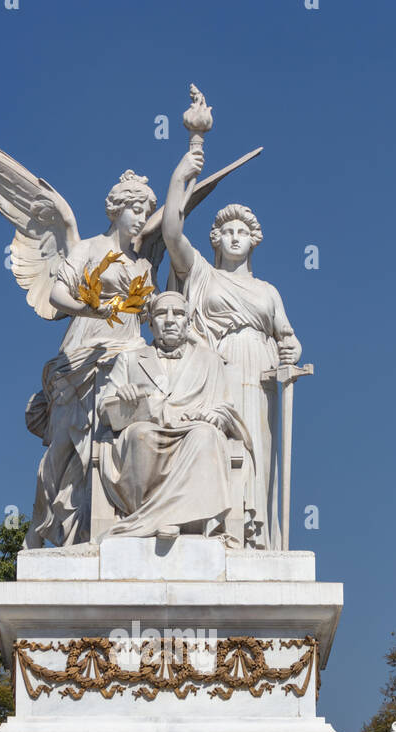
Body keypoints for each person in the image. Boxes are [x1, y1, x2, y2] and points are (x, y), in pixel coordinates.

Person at [162, 150, 302, 548]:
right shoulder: (202, 273)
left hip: (259, 372)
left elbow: (288, 337)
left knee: (256, 450)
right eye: (227, 231)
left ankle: (253, 534)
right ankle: (216, 524)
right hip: (217, 368)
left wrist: (289, 352)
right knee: (216, 440)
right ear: (216, 240)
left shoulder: (267, 292)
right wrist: (180, 177)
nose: (235, 236)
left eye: (242, 231)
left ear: (253, 241)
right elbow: (171, 232)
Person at [26, 170, 157, 547]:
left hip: (128, 355)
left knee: (113, 444)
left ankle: (98, 529)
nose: (140, 217)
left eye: (146, 210)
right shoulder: (88, 248)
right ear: (116, 210)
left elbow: (157, 309)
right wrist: (94, 308)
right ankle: (37, 531)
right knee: (64, 449)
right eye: (134, 208)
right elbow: (57, 296)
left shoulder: (144, 266)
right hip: (86, 353)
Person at [97, 291, 256, 542]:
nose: (170, 320)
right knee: (140, 435)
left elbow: (225, 407)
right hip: (147, 431)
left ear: (188, 323)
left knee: (206, 435)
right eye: (161, 314)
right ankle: (149, 517)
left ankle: (176, 519)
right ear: (150, 324)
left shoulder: (210, 361)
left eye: (178, 314)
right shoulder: (129, 360)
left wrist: (216, 415)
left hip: (192, 429)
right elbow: (104, 411)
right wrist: (122, 398)